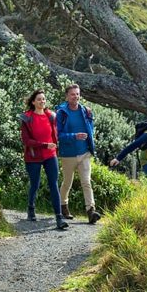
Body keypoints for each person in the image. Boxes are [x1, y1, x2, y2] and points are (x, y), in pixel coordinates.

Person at [19, 89, 68, 230]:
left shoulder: (51, 116)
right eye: (39, 99)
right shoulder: (27, 118)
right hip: (33, 156)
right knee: (35, 183)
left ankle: (59, 218)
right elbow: (26, 141)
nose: (42, 101)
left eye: (44, 99)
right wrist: (44, 145)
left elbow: (55, 134)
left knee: (53, 184)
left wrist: (53, 146)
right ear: (33, 102)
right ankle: (31, 208)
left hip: (50, 155)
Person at [56, 84, 101, 224]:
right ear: (67, 96)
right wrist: (74, 136)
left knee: (86, 182)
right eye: (72, 94)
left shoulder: (86, 111)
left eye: (77, 94)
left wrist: (89, 141)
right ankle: (63, 206)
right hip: (68, 154)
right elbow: (58, 135)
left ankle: (90, 211)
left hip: (84, 153)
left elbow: (91, 130)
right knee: (67, 182)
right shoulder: (61, 113)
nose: (75, 96)